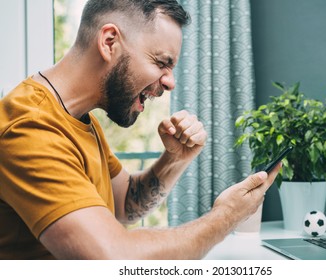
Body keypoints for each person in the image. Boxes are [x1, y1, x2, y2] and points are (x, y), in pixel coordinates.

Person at [0, 0, 280, 260]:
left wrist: (175, 159)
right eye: (161, 62)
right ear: (109, 42)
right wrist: (227, 215)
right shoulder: (30, 125)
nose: (170, 83)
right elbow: (113, 259)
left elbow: (125, 204)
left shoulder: (79, 118)